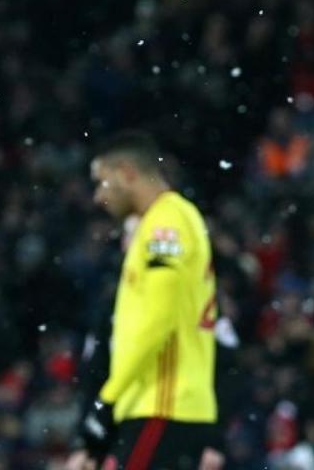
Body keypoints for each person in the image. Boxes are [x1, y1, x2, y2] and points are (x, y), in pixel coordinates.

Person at [66, 131, 221, 470]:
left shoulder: (166, 223)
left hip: (162, 402)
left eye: (103, 182)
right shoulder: (167, 220)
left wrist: (107, 399)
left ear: (127, 173)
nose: (98, 196)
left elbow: (157, 320)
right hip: (163, 404)